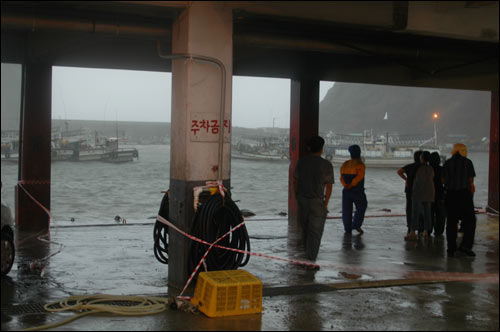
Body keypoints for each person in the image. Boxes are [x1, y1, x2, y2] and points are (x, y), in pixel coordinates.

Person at [293, 136, 334, 262]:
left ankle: (307, 254)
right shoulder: (326, 164)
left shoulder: (302, 162)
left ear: (309, 148)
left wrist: (297, 197)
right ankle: (311, 258)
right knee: (315, 232)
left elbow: (296, 181)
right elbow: (328, 186)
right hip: (317, 201)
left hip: (302, 200)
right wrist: (325, 203)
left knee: (305, 229)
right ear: (321, 149)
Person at [442, 143, 476, 257]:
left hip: (451, 195)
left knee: (451, 222)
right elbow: (471, 181)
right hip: (464, 195)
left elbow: (443, 180)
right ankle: (465, 246)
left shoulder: (447, 163)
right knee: (470, 221)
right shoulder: (468, 162)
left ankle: (451, 249)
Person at [405, 151, 434, 241]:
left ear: (422, 158)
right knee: (427, 213)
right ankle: (426, 232)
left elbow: (414, 180)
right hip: (429, 192)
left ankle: (413, 232)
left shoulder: (417, 168)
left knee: (415, 213)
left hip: (418, 193)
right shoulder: (431, 168)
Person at [340, 144, 367, 235]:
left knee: (346, 210)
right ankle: (355, 225)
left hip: (346, 190)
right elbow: (359, 177)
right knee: (362, 206)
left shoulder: (345, 163)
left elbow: (341, 178)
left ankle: (347, 228)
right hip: (357, 190)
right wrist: (351, 184)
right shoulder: (360, 164)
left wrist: (346, 185)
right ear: (359, 153)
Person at [397, 151, 423, 235]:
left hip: (409, 190)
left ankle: (410, 226)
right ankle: (420, 227)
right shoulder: (424, 167)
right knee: (421, 208)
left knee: (409, 208)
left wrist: (406, 179)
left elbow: (399, 171)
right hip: (421, 190)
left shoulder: (410, 166)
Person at [429, 152, 446, 236]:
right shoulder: (442, 169)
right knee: (440, 214)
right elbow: (444, 181)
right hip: (439, 193)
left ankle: (428, 230)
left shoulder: (427, 169)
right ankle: (439, 231)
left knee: (429, 213)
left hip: (428, 193)